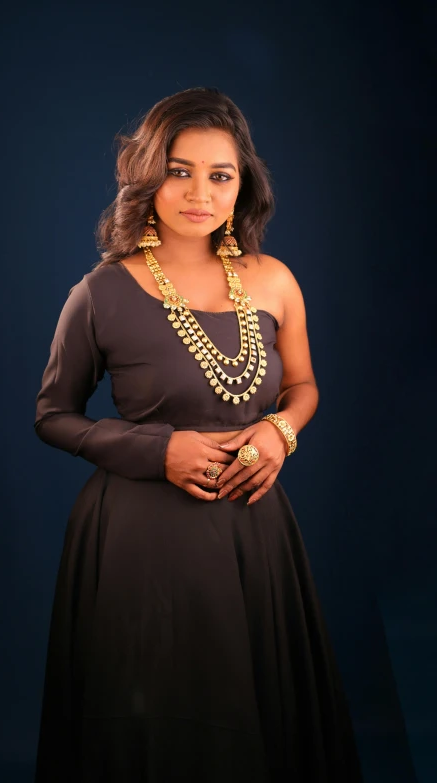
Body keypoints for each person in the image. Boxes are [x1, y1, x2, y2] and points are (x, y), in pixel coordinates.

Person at [33, 87, 363, 782]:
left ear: (243, 186)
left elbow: (303, 388)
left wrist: (278, 432)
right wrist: (158, 449)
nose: (199, 192)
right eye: (180, 170)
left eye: (221, 175)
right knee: (154, 730)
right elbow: (53, 415)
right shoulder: (99, 292)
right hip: (138, 544)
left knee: (261, 728)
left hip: (254, 528)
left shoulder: (273, 281)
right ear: (148, 174)